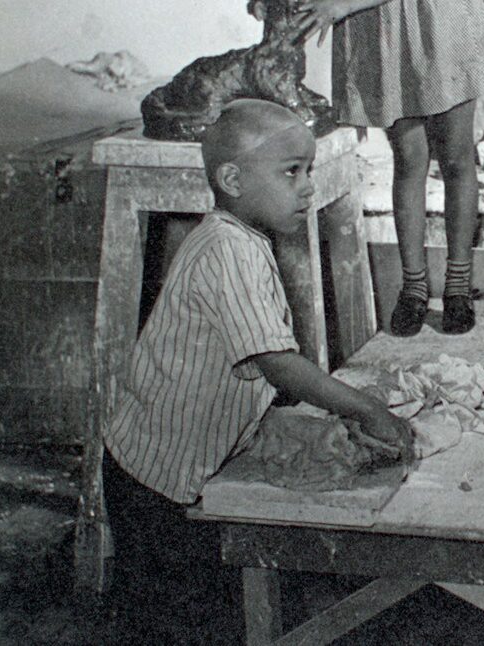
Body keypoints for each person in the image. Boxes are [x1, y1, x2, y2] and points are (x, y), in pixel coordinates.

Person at [102, 98, 414, 643]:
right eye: (291, 171)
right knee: (165, 622)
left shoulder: (241, 238)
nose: (308, 186)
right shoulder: (229, 250)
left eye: (309, 170)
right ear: (232, 178)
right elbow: (277, 364)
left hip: (176, 466)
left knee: (194, 614)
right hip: (151, 478)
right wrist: (364, 406)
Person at [297, 0, 484, 336]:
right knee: (409, 160)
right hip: (382, 29)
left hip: (439, 21)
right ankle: (413, 289)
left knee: (455, 158)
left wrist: (340, 5)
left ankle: (457, 286)